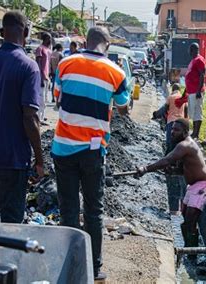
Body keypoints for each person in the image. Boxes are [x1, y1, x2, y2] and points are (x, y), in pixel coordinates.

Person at [52, 27, 129, 281]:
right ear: (107, 45)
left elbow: (57, 97)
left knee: (68, 209)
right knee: (94, 211)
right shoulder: (116, 72)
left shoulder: (65, 64)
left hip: (63, 148)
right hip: (93, 152)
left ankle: (70, 265)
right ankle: (94, 268)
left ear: (86, 41)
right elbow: (122, 107)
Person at [0, 11, 44, 224]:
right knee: (11, 227)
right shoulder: (29, 67)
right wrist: (39, 160)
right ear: (27, 33)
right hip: (12, 159)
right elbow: (29, 118)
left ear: (2, 32)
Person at [137, 119, 206, 249]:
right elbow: (183, 169)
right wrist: (173, 171)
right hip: (193, 186)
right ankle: (189, 252)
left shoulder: (185, 145)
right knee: (185, 221)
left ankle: (191, 256)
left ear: (185, 132)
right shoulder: (182, 145)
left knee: (190, 222)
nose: (172, 132)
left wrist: (146, 169)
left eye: (176, 130)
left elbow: (167, 159)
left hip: (203, 186)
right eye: (172, 129)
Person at [185, 43, 206, 139]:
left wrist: (198, 91)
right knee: (193, 112)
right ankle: (194, 132)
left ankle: (196, 133)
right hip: (191, 90)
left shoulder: (199, 60)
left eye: (189, 49)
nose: (188, 52)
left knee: (197, 112)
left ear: (193, 50)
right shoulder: (193, 60)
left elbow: (202, 75)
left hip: (196, 91)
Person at [165, 84, 188, 153]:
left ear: (172, 89)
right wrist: (185, 119)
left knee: (169, 141)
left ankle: (168, 157)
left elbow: (166, 108)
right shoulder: (182, 97)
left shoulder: (170, 97)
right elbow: (186, 109)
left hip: (171, 121)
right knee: (178, 143)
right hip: (181, 123)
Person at [35, 33, 52, 125]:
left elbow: (48, 64)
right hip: (42, 76)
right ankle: (38, 118)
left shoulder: (48, 50)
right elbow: (38, 63)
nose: (50, 40)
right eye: (49, 38)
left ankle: (42, 116)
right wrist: (40, 77)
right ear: (45, 39)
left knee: (45, 98)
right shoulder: (40, 49)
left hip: (47, 77)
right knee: (40, 98)